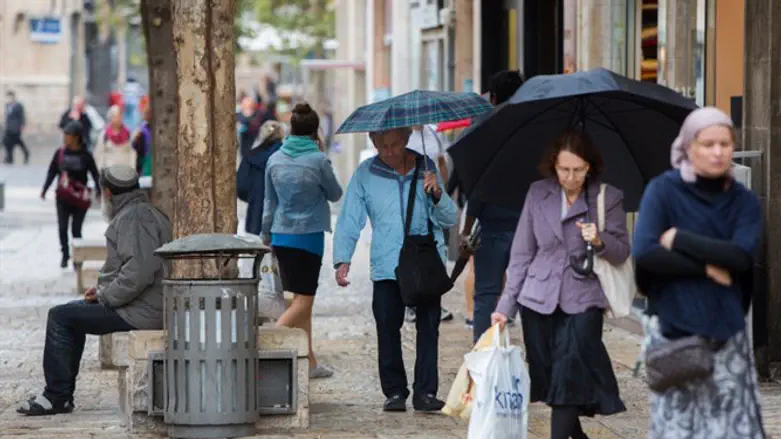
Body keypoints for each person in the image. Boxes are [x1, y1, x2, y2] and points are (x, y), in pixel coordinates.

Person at [633, 107, 765, 438]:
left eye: (725, 144)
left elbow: (740, 258)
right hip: (674, 335)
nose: (718, 152)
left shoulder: (744, 201)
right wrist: (708, 267)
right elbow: (647, 255)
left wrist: (678, 238)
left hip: (726, 337)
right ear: (689, 146)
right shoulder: (663, 191)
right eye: (708, 144)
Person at [491, 130, 628, 439]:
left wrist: (599, 239)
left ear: (589, 166)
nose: (570, 177)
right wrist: (505, 307)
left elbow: (622, 252)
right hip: (537, 297)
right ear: (553, 165)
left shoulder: (608, 197)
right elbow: (522, 253)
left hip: (584, 297)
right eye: (564, 169)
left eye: (578, 170)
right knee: (553, 380)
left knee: (569, 375)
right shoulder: (537, 193)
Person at [18, 165, 172, 416]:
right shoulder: (146, 212)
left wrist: (106, 296)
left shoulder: (134, 218)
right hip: (142, 304)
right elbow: (131, 267)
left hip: (141, 310)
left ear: (108, 193)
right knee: (72, 315)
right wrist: (101, 292)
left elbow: (140, 272)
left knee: (60, 317)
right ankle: (62, 395)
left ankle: (56, 396)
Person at [333, 127, 458, 413]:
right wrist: (343, 257)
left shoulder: (426, 166)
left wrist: (436, 193)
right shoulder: (366, 173)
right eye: (382, 146)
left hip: (424, 263)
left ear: (404, 140)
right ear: (374, 144)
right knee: (387, 327)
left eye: (394, 145)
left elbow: (449, 217)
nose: (389, 152)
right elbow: (350, 216)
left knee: (429, 328)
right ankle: (394, 391)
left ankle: (426, 393)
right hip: (388, 264)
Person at [262, 103, 343, 379]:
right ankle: (264, 344)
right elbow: (335, 194)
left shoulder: (275, 159)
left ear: (291, 129)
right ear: (315, 131)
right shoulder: (318, 161)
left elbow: (268, 203)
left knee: (298, 298)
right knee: (303, 303)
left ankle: (309, 362)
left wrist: (265, 236)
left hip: (281, 236)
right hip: (308, 238)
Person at [459, 69, 526, 342]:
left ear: (493, 97)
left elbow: (476, 186)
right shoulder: (534, 127)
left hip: (491, 225)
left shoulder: (482, 129)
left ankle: (483, 353)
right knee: (531, 294)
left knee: (486, 294)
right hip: (528, 227)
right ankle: (538, 357)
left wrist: (466, 229)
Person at [41, 121, 101, 268]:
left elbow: (95, 174)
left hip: (80, 198)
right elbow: (52, 171)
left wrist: (99, 191)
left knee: (76, 229)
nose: (65, 138)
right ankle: (65, 253)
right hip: (63, 197)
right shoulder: (60, 153)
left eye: (68, 135)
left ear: (76, 137)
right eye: (64, 135)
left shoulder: (86, 155)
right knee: (62, 227)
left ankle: (77, 257)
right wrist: (45, 189)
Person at [237, 120, 284, 235]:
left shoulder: (250, 157)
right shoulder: (289, 156)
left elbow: (241, 185)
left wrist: (253, 198)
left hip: (256, 215)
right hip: (284, 218)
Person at [94, 105, 136, 172]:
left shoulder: (128, 134)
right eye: (115, 116)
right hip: (109, 172)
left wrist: (132, 169)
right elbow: (99, 153)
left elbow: (132, 152)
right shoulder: (105, 134)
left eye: (120, 116)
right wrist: (100, 170)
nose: (118, 119)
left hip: (125, 172)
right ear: (110, 118)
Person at [3, 90, 29, 164]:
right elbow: (7, 117)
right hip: (9, 127)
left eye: (10, 97)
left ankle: (26, 153)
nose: (8, 99)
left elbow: (22, 116)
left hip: (16, 127)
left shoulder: (18, 105)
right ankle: (9, 157)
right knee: (7, 142)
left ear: (13, 97)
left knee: (18, 141)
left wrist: (22, 125)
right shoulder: (7, 105)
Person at [131, 98, 152, 177]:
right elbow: (134, 147)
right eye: (145, 113)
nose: (146, 115)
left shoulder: (158, 128)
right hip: (144, 163)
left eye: (148, 113)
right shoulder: (141, 129)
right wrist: (137, 139)